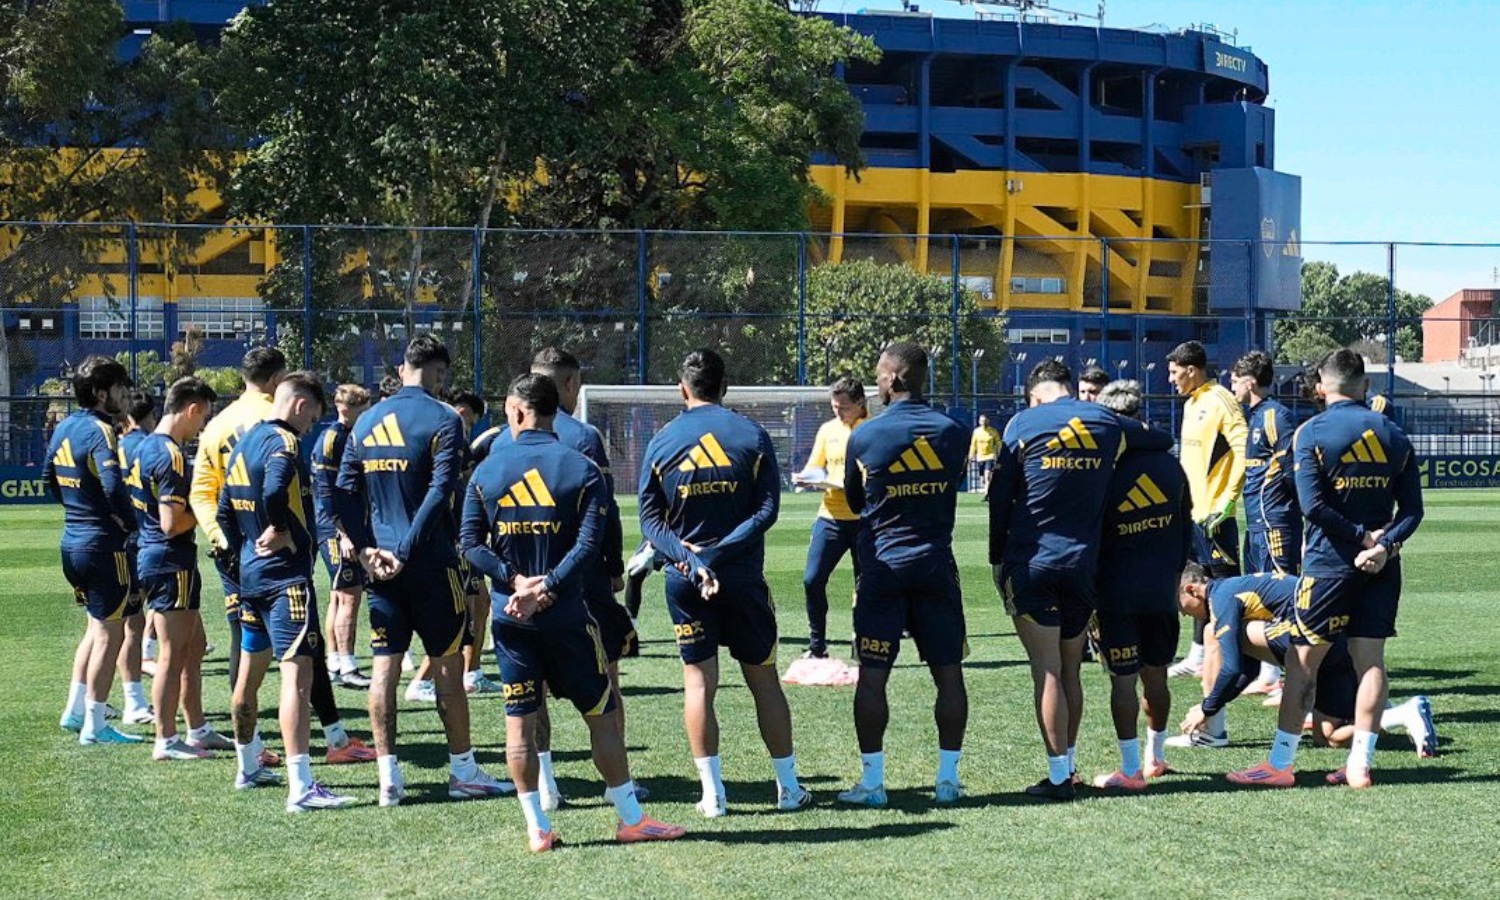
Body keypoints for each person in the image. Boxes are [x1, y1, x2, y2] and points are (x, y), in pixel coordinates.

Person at [462, 373, 685, 851]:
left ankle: (537, 828)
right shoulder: (581, 468)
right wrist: (548, 585)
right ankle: (630, 819)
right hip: (566, 615)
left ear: (517, 411)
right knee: (602, 714)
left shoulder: (486, 471)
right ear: (554, 411)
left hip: (510, 617)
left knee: (519, 721)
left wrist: (515, 582)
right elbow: (588, 546)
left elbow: (470, 545)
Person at [1228, 348, 1423, 789]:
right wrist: (1383, 544)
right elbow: (1413, 510)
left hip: (1328, 566)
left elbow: (1312, 506)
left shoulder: (1311, 432)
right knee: (1370, 662)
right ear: (1365, 386)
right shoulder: (1392, 432)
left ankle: (1280, 765)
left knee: (1302, 662)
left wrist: (1359, 537)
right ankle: (1359, 765)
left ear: (1320, 388)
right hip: (1381, 567)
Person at [333, 334, 511, 807]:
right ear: (438, 372)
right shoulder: (444, 418)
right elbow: (440, 491)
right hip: (430, 564)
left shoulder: (367, 420)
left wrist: (367, 550)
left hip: (380, 568)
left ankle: (388, 778)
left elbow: (343, 492)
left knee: (384, 668)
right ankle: (463, 771)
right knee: (449, 668)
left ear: (402, 369)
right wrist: (407, 551)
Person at [638, 349, 811, 817]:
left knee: (698, 684)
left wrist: (691, 560)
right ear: (725, 386)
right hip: (741, 579)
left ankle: (713, 796)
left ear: (682, 389)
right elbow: (767, 511)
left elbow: (650, 523)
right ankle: (788, 788)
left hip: (685, 581)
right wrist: (716, 555)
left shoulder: (662, 441)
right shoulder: (751, 434)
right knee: (764, 682)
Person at [989, 360, 1172, 800]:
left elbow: (1000, 496)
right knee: (1070, 668)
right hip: (1084, 566)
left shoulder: (1023, 423)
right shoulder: (1106, 420)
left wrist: (997, 558)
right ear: (1070, 388)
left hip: (1033, 561)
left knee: (1047, 670)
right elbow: (1161, 439)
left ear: (1035, 394)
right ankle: (1068, 766)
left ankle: (1059, 777)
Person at [837, 343, 970, 807]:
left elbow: (854, 502)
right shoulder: (954, 432)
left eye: (879, 373)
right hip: (936, 565)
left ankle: (872, 784)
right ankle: (947, 781)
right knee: (949, 675)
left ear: (893, 379)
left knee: (872, 676)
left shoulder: (865, 436)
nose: (876, 381)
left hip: (882, 569)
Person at [218, 373, 356, 812]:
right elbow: (276, 487)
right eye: (312, 419)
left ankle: (247, 766)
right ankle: (301, 786)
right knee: (297, 679)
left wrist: (245, 551)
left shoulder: (243, 443)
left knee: (248, 678)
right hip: (285, 582)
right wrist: (281, 529)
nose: (311, 427)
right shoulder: (285, 443)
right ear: (300, 406)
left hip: (251, 578)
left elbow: (223, 511)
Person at [1176, 566, 1437, 761]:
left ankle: (1211, 732)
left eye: (1181, 606)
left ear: (1191, 590)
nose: (1185, 614)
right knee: (1328, 737)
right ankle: (1402, 714)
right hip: (1337, 649)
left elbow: (1233, 668)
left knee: (1212, 632)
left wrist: (1207, 708)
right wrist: (1216, 701)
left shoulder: (1221, 598)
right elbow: (1249, 669)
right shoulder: (1234, 588)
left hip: (1318, 643)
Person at [1090, 379, 1191, 790]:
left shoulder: (1106, 469)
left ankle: (1130, 769)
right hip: (1161, 589)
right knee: (1156, 676)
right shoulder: (1171, 464)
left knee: (1122, 679)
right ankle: (1156, 757)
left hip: (1117, 591)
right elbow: (1185, 527)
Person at [130, 377, 235, 760]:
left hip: (162, 559)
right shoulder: (170, 454)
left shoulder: (145, 446)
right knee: (172, 655)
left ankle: (197, 728)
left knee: (194, 647)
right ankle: (167, 739)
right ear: (191, 410)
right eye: (203, 417)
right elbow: (172, 523)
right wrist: (212, 508)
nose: (202, 427)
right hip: (168, 560)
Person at [45, 356, 142, 744]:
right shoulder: (102, 431)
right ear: (102, 393)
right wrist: (129, 522)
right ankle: (95, 724)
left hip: (72, 542)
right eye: (119, 388)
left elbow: (48, 477)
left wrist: (78, 510)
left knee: (95, 627)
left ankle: (74, 711)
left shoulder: (65, 426)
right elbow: (113, 486)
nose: (125, 394)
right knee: (109, 636)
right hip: (103, 547)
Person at [190, 347, 286, 692]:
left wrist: (221, 537)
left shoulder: (216, 424)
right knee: (294, 634)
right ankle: (308, 711)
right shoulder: (280, 417)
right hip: (277, 541)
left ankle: (242, 714)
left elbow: (201, 493)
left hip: (233, 544)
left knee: (242, 631)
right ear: (277, 378)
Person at [1164, 341, 1248, 708]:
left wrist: (1228, 501)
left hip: (1215, 515)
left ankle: (1247, 663)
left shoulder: (1221, 400)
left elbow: (1244, 452)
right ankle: (1199, 655)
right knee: (1196, 587)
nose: (1171, 379)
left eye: (1174, 372)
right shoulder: (1191, 403)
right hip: (1193, 514)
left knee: (1225, 590)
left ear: (1192, 369)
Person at [1231, 350, 1297, 697]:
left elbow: (1292, 471)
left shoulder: (1276, 416)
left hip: (1275, 523)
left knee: (1283, 595)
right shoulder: (1254, 417)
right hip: (1256, 523)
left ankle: (1293, 674)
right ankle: (1269, 673)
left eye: (1235, 380)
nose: (1232, 386)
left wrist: (1289, 511)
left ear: (1250, 382)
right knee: (1258, 596)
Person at [793, 377, 868, 659]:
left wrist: (855, 486)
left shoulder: (872, 429)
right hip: (831, 516)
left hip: (864, 519)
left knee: (866, 584)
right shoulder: (828, 430)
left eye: (843, 407)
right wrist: (807, 477)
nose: (838, 412)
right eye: (834, 406)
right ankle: (817, 647)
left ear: (860, 403)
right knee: (812, 580)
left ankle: (863, 642)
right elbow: (815, 465)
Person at [311, 383, 374, 689]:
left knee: (339, 595)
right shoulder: (332, 439)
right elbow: (326, 493)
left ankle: (334, 662)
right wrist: (344, 534)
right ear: (346, 409)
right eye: (363, 411)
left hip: (347, 526)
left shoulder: (350, 435)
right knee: (350, 595)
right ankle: (348, 665)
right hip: (335, 530)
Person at [448, 389, 504, 696]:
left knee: (478, 602)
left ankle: (472, 673)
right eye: (466, 419)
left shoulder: (462, 445)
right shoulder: (447, 439)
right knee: (464, 606)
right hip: (454, 536)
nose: (467, 427)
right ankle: (425, 679)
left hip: (463, 534)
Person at [114, 389, 158, 724]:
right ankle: (134, 701)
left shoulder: (115, 444)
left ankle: (87, 702)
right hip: (138, 538)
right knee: (131, 622)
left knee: (110, 623)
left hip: (116, 539)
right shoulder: (146, 445)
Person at [968, 413, 1001, 494]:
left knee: (988, 475)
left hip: (990, 456)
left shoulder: (993, 431)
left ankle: (986, 492)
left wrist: (1000, 451)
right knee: (982, 477)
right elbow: (973, 444)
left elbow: (998, 442)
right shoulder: (976, 432)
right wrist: (971, 455)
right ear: (979, 422)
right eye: (982, 421)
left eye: (985, 421)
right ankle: (984, 487)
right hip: (980, 457)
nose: (984, 422)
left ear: (988, 421)